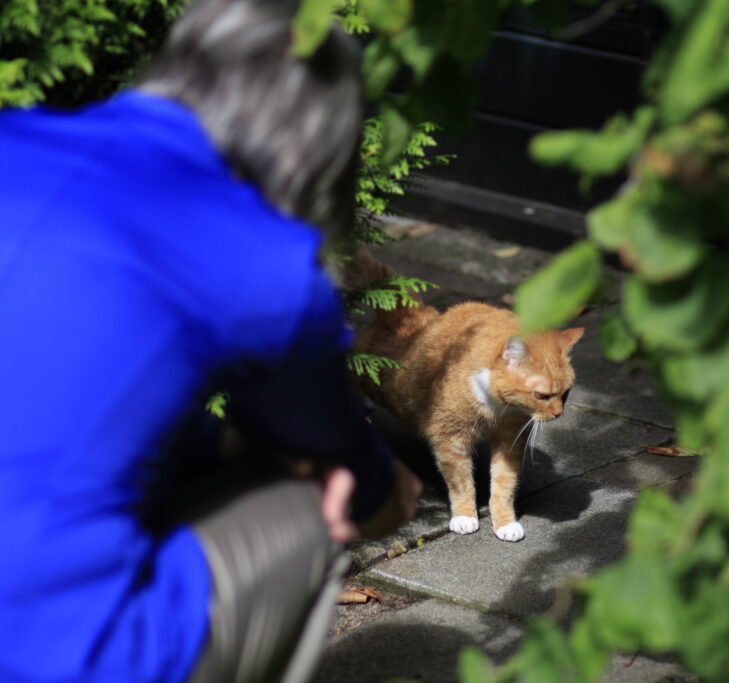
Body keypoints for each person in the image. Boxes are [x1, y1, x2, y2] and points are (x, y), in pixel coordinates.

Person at [0, 0, 422, 681]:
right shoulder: (264, 260)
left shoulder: (14, 136)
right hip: (51, 657)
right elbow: (361, 484)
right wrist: (388, 482)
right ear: (312, 143)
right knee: (319, 495)